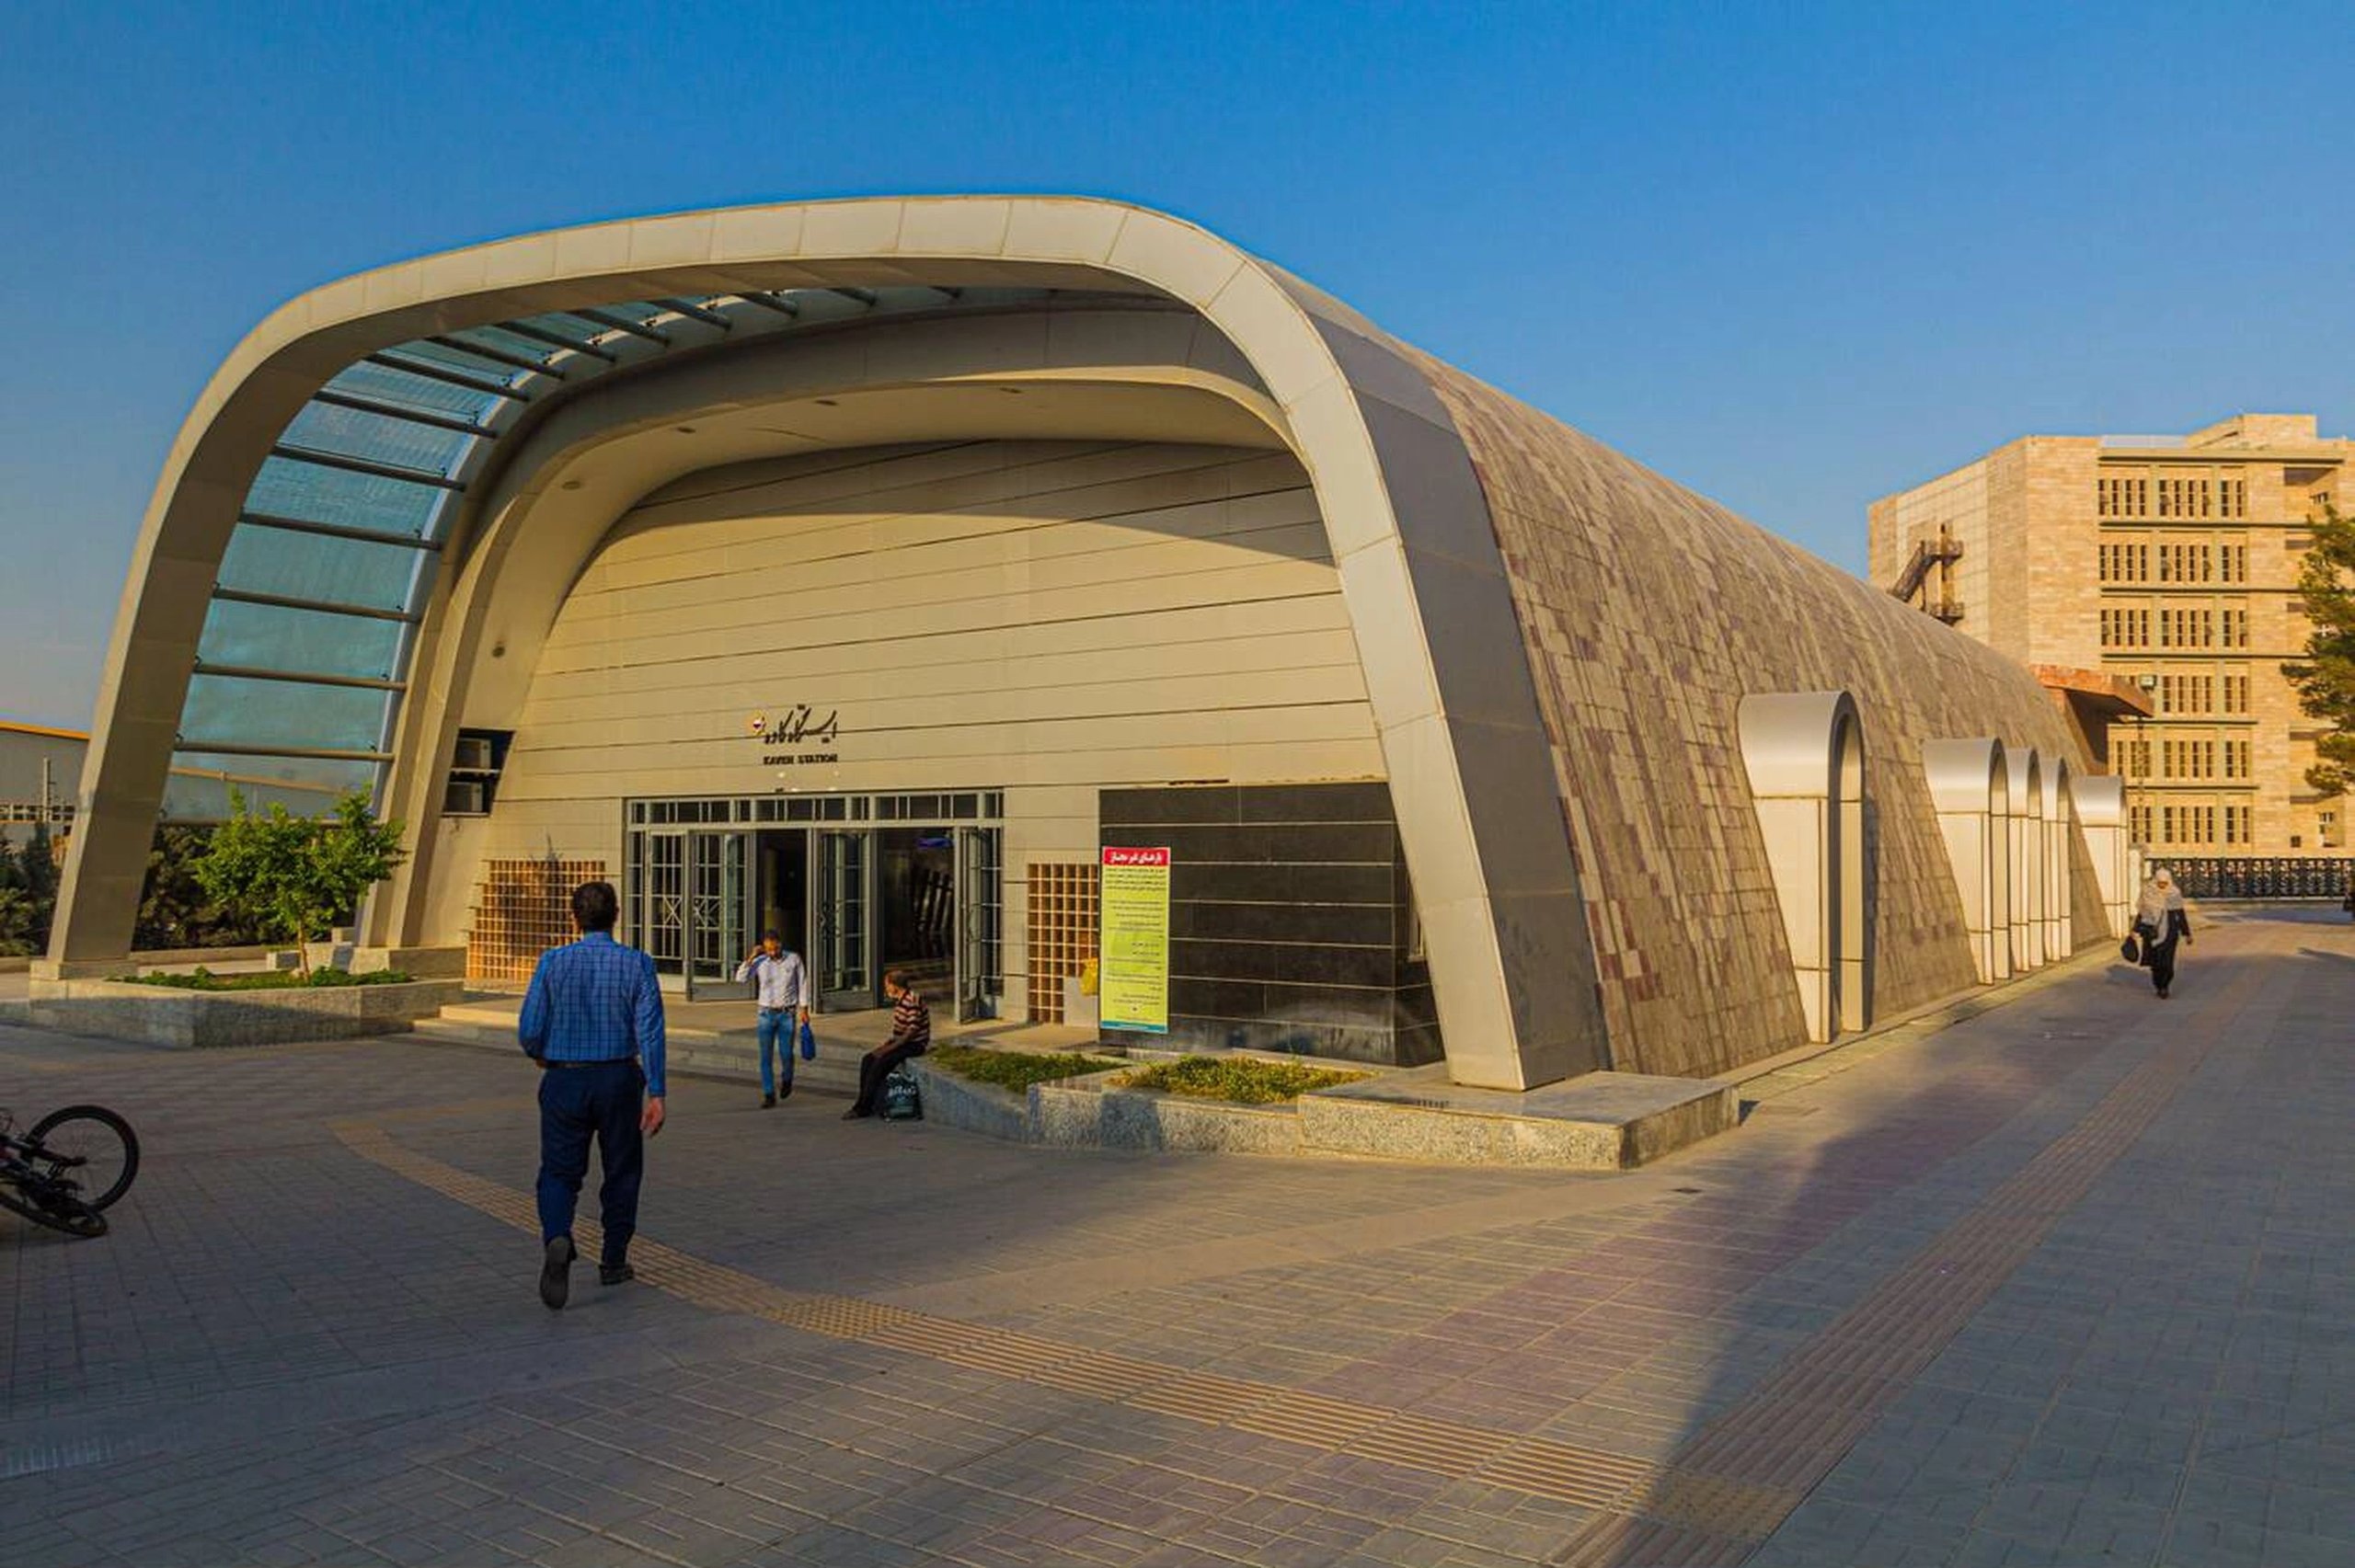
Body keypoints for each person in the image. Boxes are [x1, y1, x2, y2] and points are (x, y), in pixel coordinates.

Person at [518, 880, 666, 1310]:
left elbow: (529, 1027)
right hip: (619, 1077)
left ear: (574, 917)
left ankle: (558, 1235)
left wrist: (541, 1054)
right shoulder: (637, 964)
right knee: (622, 1170)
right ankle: (614, 1259)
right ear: (616, 915)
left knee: (559, 1172)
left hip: (565, 1078)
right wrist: (656, 1090)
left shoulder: (552, 962)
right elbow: (650, 1031)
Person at [734, 931, 810, 1107]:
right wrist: (752, 957)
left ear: (780, 944)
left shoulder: (794, 959)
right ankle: (769, 1094)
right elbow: (741, 978)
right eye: (768, 949)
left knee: (786, 1054)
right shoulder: (760, 961)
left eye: (775, 948)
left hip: (786, 1014)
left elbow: (803, 983)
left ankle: (787, 1079)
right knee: (765, 1056)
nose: (772, 952)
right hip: (765, 1014)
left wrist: (804, 1009)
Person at [843, 969, 931, 1119]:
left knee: (880, 1063)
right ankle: (864, 1102)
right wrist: (887, 1044)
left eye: (887, 984)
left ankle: (863, 1107)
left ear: (894, 985)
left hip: (914, 1044)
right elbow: (900, 1031)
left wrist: (889, 1049)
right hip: (900, 1041)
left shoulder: (912, 999)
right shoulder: (900, 1000)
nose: (886, 988)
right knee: (868, 1059)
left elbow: (911, 1031)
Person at [2133, 867, 2192, 1000]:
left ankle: (2165, 986)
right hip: (2152, 933)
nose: (2162, 886)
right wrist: (2135, 930)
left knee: (2168, 963)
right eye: (2160, 883)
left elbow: (2180, 914)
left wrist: (2187, 933)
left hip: (2170, 934)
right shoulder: (2149, 892)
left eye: (2165, 883)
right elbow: (2142, 913)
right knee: (2156, 963)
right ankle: (2159, 985)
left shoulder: (2174, 894)